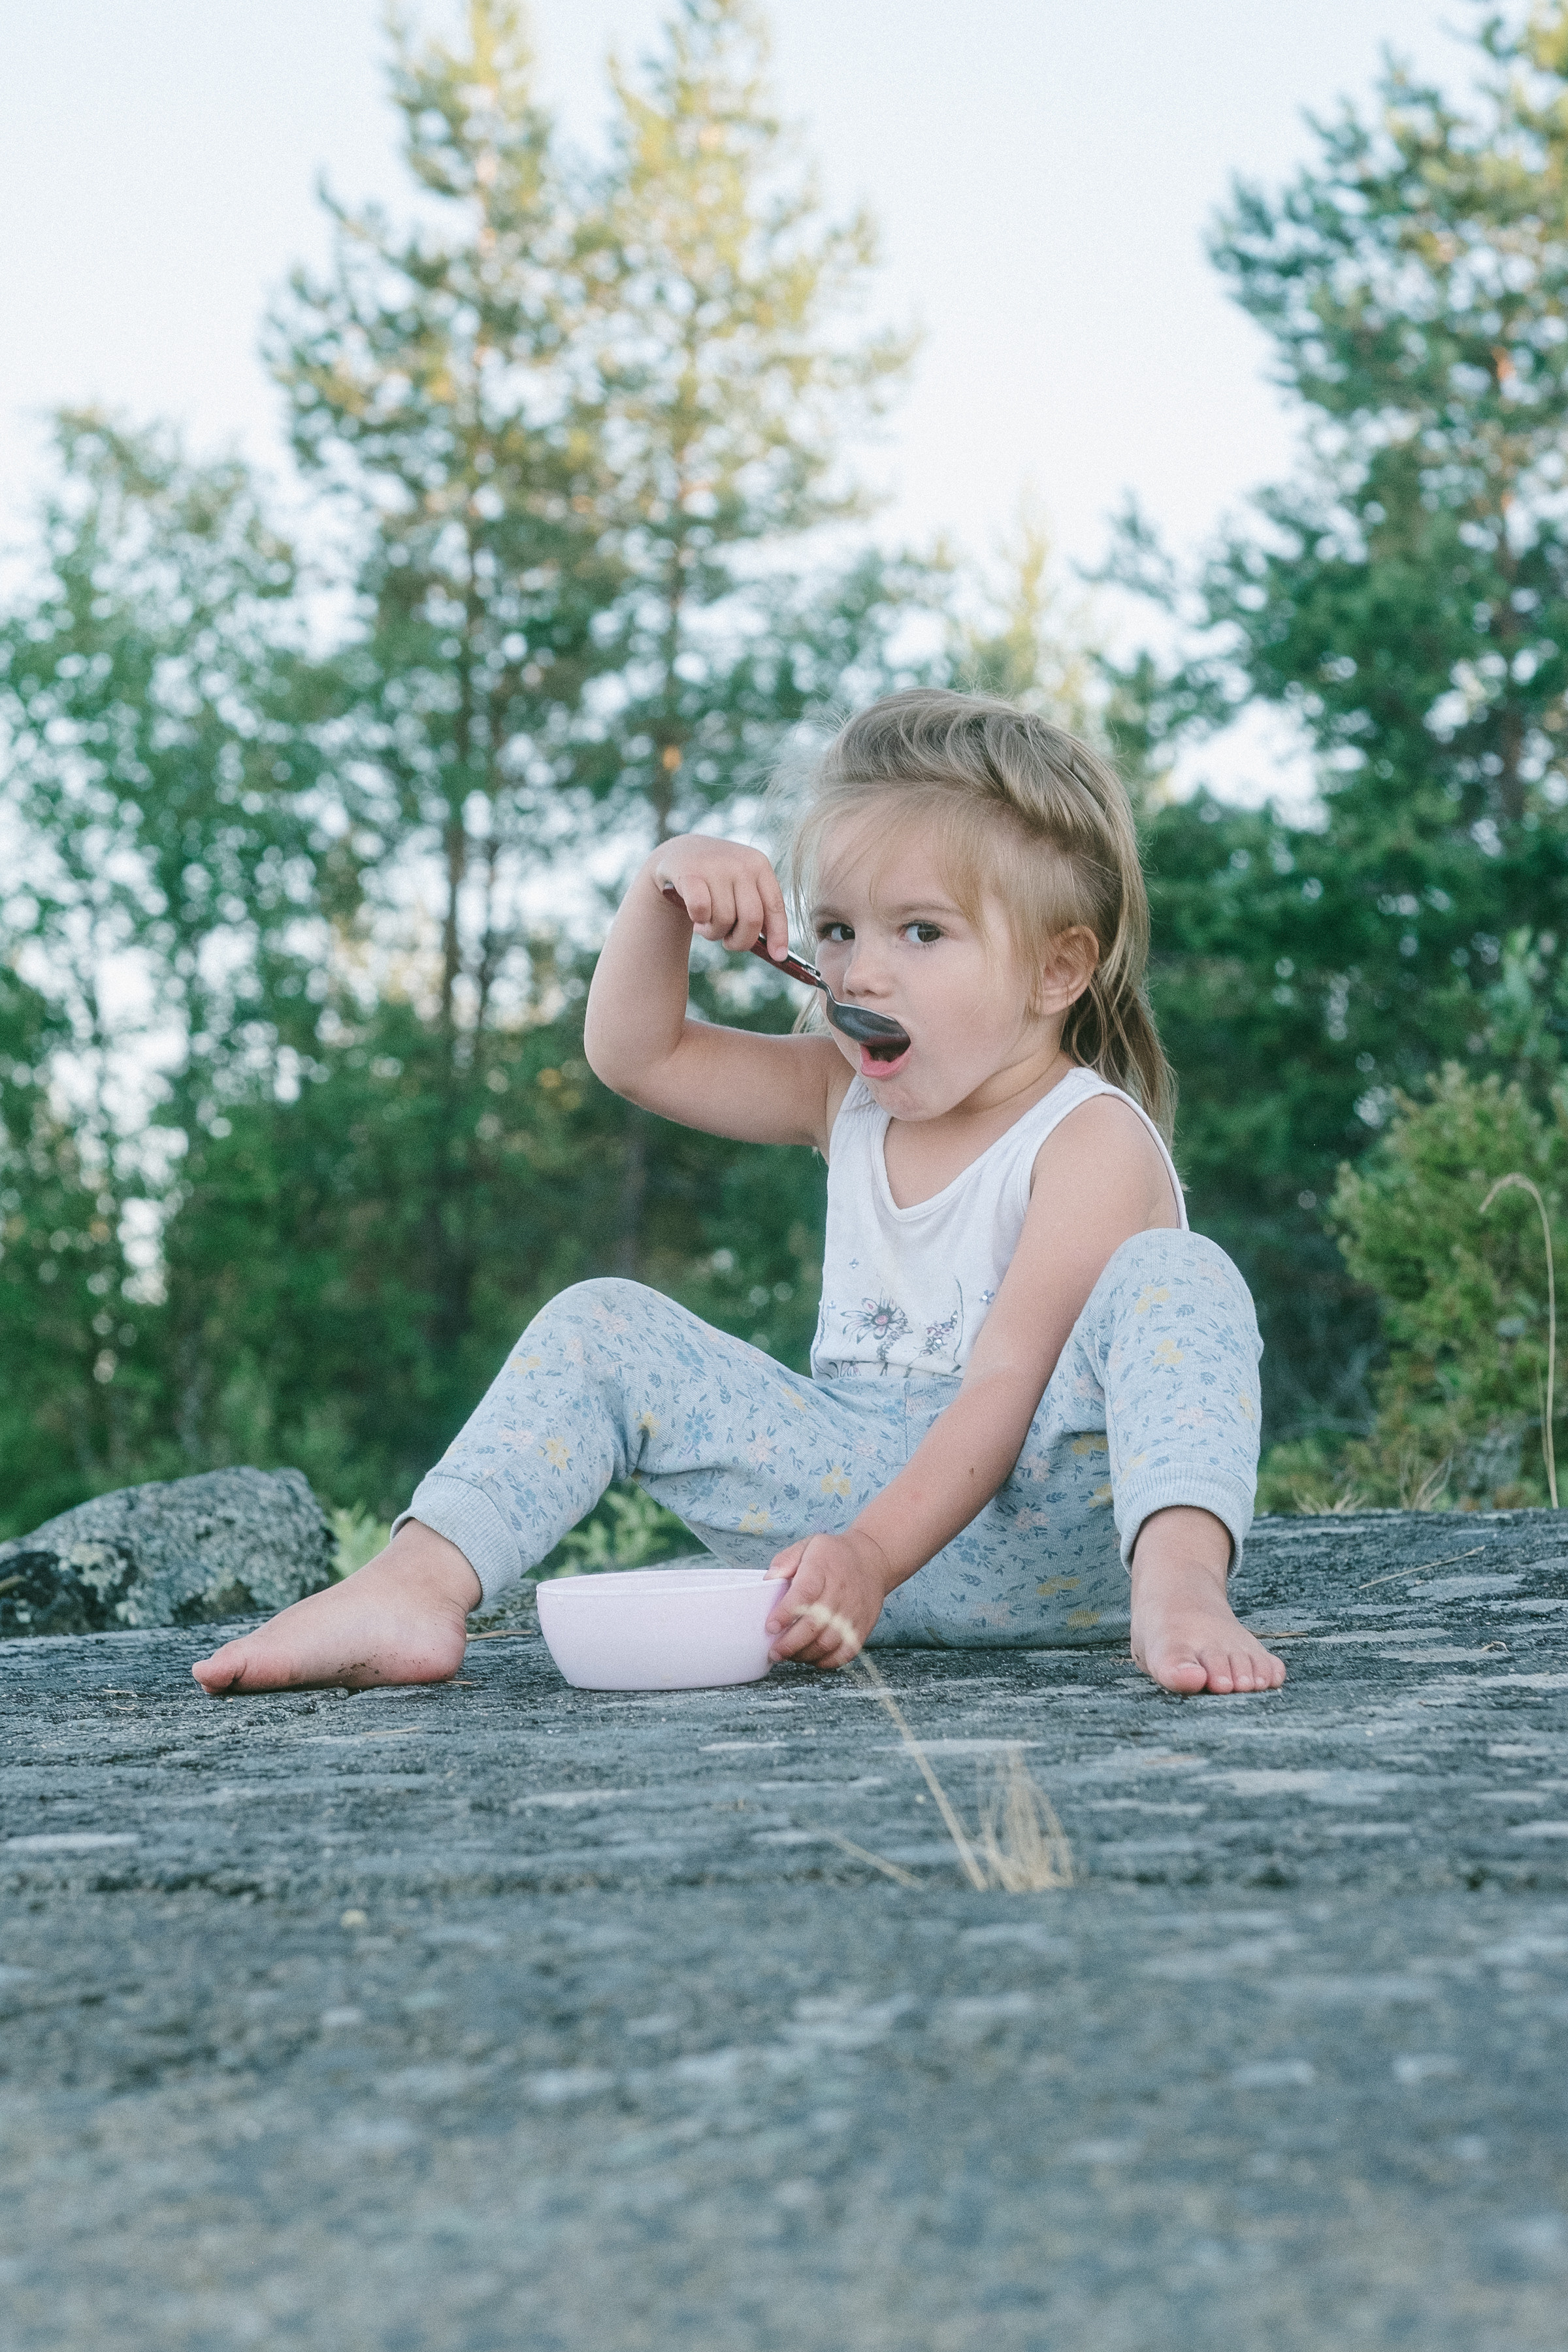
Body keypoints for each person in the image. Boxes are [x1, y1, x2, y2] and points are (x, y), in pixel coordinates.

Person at [193, 690, 1283, 1700]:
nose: (860, 973)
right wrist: (661, 888)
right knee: (601, 1324)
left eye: (922, 932)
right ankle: (418, 1584)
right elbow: (639, 1054)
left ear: (1057, 970)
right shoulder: (844, 1092)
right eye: (840, 928)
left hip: (1049, 1543)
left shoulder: (1086, 1137)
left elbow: (1001, 1389)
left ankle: (1183, 1582)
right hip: (852, 1529)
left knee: (1180, 1276)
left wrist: (871, 1553)